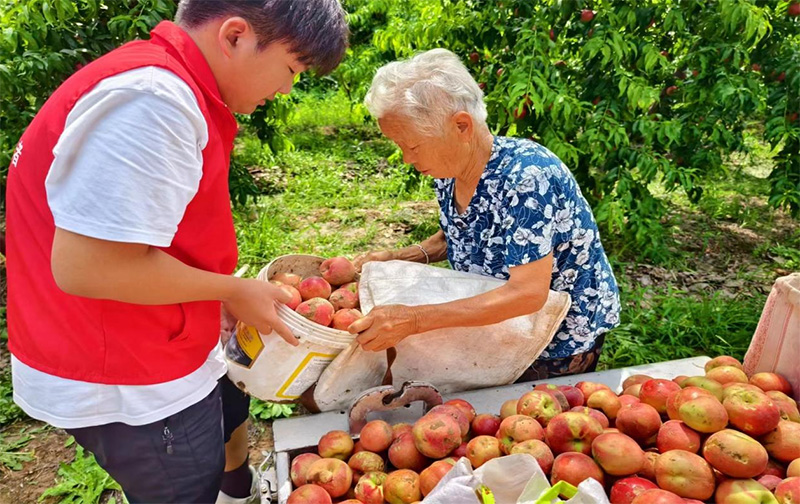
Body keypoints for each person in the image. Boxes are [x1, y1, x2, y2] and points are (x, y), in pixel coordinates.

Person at [5, 2, 348, 503]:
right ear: (235, 36)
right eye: (291, 69)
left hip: (158, 332)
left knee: (227, 422)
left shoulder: (164, 82)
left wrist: (216, 296)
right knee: (187, 484)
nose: (286, 88)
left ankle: (236, 490)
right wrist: (231, 288)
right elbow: (89, 266)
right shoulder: (152, 100)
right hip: (128, 370)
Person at [351, 48, 621, 380]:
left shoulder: (527, 176)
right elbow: (464, 233)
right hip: (500, 324)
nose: (406, 158)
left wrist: (415, 319)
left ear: (461, 126)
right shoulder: (448, 171)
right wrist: (399, 256)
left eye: (413, 145)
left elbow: (527, 294)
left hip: (555, 338)